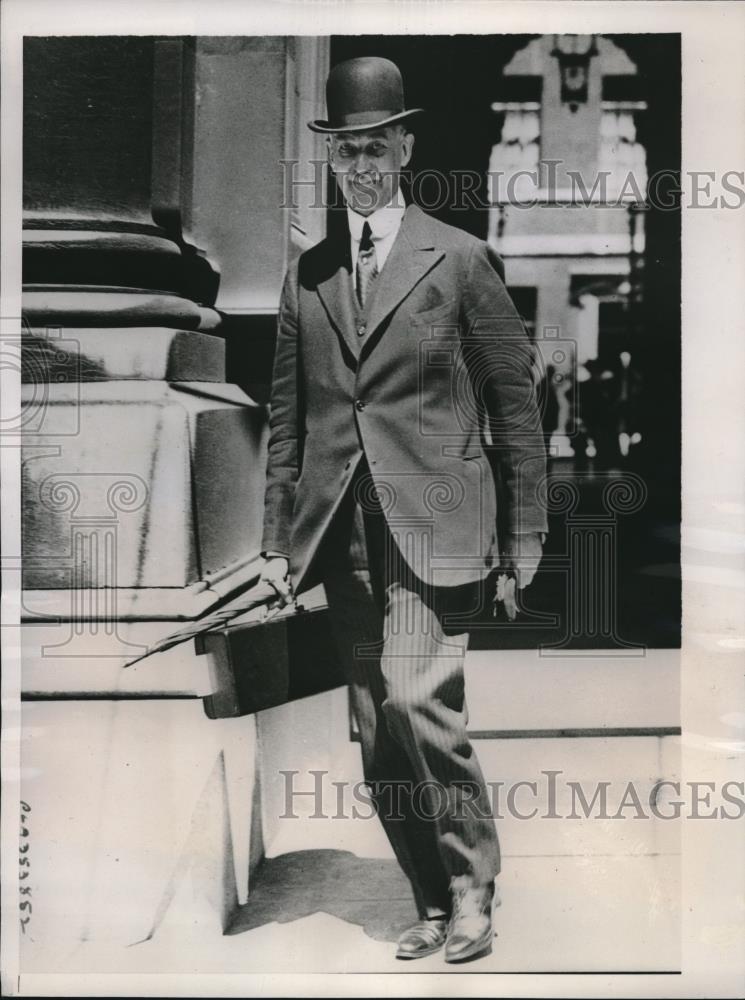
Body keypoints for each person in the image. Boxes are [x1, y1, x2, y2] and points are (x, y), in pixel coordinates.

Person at [259, 56, 547, 963]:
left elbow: (513, 402)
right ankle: (427, 893)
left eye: (375, 146)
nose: (361, 164)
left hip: (435, 524)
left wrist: (524, 531)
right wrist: (275, 539)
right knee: (378, 723)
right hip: (340, 528)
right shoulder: (306, 275)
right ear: (332, 159)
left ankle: (472, 885)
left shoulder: (456, 257)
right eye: (346, 150)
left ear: (405, 146)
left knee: (422, 700)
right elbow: (285, 417)